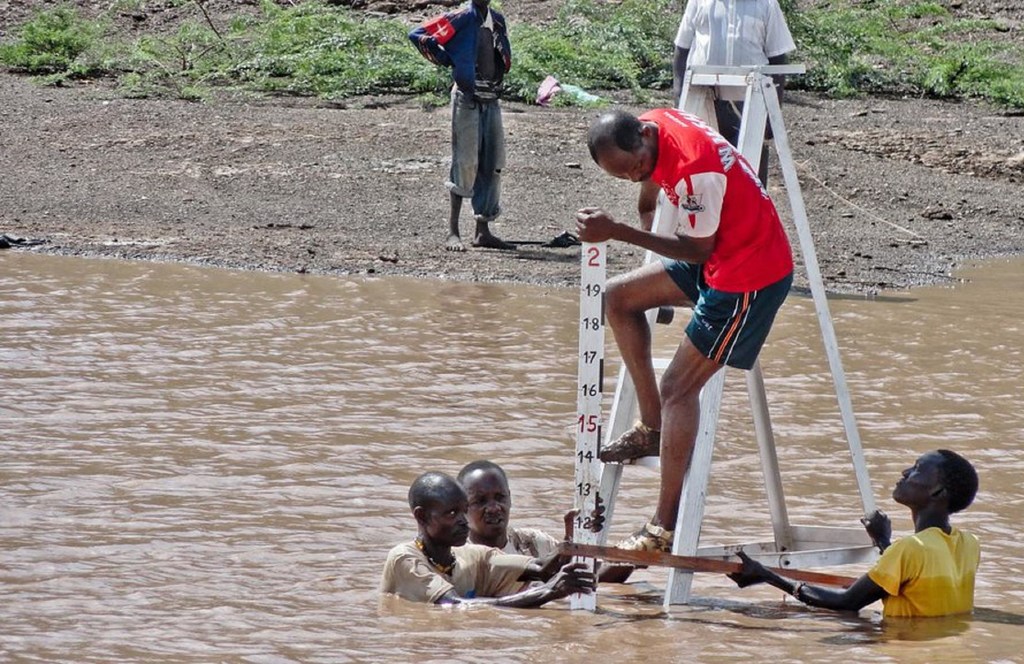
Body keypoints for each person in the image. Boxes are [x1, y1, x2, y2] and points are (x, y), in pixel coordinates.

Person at [576, 108, 794, 552]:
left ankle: (662, 527)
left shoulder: (697, 171)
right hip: (722, 260)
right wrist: (642, 205)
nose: (636, 174)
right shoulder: (656, 124)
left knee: (679, 388)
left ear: (644, 135)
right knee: (617, 298)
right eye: (623, 175)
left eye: (636, 166)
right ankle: (653, 426)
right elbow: (653, 186)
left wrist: (616, 232)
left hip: (749, 278)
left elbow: (696, 250)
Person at [728, 449, 980, 618]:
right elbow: (914, 576)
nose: (904, 472)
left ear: (937, 492)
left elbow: (846, 603)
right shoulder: (969, 544)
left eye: (916, 469)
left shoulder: (910, 549)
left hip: (909, 650)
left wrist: (766, 575)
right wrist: (882, 542)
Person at [380, 471, 595, 606]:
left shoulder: (473, 555)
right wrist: (548, 592)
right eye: (452, 514)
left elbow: (544, 569)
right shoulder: (405, 558)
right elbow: (454, 605)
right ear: (421, 516)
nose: (464, 521)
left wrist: (572, 538)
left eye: (465, 511)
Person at [409, 0, 515, 252]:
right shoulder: (461, 17)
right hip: (467, 97)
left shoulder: (496, 19)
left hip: (491, 98)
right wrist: (450, 60)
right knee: (465, 161)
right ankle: (453, 231)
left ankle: (482, 231)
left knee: (492, 164)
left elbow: (499, 56)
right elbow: (418, 35)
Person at [672, 0, 796, 184]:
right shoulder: (699, 2)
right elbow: (682, 51)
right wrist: (680, 99)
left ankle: (752, 210)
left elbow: (777, 58)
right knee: (704, 164)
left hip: (751, 103)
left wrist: (772, 113)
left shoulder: (766, 4)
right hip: (704, 100)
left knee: (750, 170)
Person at [457, 459, 636, 582]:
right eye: (480, 501)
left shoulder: (532, 542)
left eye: (500, 497)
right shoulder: (459, 558)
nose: (494, 508)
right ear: (462, 509)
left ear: (510, 498)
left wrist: (633, 556)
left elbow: (592, 573)